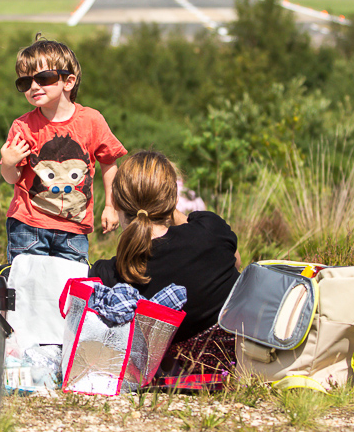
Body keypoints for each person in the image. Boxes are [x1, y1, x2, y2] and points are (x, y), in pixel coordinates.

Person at [88, 150, 241, 373]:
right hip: (235, 361)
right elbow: (235, 262)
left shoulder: (109, 274)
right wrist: (171, 209)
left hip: (177, 372)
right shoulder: (211, 231)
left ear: (118, 204)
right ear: (173, 199)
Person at [0, 36, 126, 264]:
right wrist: (8, 162)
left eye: (43, 78)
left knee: (69, 291)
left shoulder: (91, 121)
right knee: (27, 287)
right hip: (27, 224)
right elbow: (13, 178)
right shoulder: (23, 126)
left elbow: (109, 162)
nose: (34, 86)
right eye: (25, 83)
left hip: (74, 227)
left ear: (68, 82)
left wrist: (111, 206)